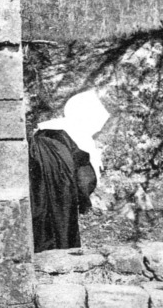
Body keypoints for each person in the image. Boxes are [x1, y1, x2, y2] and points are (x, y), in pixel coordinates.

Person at [30, 91, 109, 252]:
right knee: (62, 217)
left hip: (38, 176)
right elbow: (85, 179)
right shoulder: (81, 136)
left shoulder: (46, 128)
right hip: (61, 181)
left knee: (41, 213)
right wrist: (83, 198)